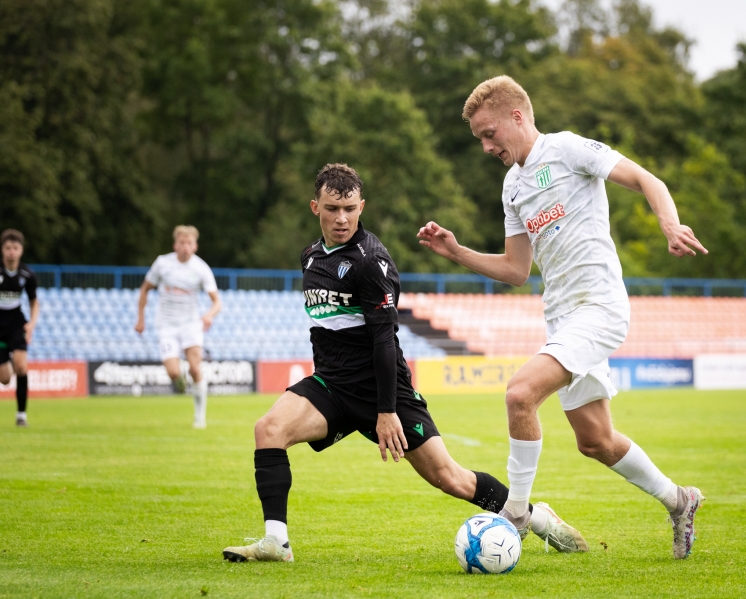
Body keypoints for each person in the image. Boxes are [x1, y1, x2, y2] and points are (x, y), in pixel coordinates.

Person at [222, 163, 585, 563]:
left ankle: (538, 519)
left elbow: (383, 341)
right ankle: (276, 542)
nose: (341, 219)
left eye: (349, 209)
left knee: (450, 478)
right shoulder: (310, 257)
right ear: (315, 208)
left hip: (383, 391)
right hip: (331, 386)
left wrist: (386, 411)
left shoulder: (370, 261)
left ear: (361, 207)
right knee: (268, 429)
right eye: (332, 209)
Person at [417, 76, 707, 559]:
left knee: (519, 394)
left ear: (517, 117)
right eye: (480, 139)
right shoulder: (512, 186)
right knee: (595, 441)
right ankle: (680, 501)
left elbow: (647, 180)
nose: (486, 146)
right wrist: (457, 251)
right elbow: (516, 270)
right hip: (562, 318)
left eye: (489, 133)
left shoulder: (567, 149)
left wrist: (669, 224)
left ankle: (515, 513)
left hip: (599, 306)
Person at [135, 226, 221, 429]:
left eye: (189, 243)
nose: (185, 247)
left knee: (195, 368)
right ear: (175, 245)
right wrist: (140, 319)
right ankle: (180, 379)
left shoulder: (201, 268)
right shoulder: (162, 263)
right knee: (173, 373)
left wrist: (209, 315)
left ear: (195, 246)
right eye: (182, 243)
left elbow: (217, 302)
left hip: (191, 325)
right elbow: (145, 289)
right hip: (166, 325)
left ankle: (200, 417)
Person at [0, 229, 39, 427]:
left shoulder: (27, 274)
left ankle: (21, 415)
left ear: (21, 250)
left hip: (16, 323)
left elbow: (34, 302)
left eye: (15, 248)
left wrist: (31, 323)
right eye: (8, 248)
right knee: (5, 379)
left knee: (22, 367)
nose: (11, 252)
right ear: (2, 249)